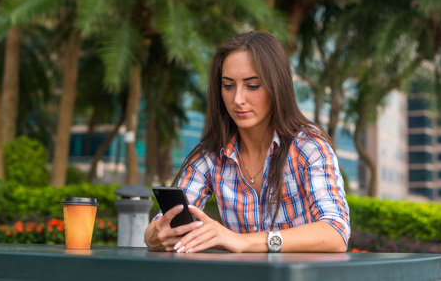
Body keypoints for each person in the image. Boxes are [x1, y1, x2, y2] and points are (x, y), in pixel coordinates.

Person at [144, 31, 350, 253]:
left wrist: (243, 241)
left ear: (276, 87)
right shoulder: (211, 155)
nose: (238, 99)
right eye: (228, 86)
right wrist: (157, 235)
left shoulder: (308, 146)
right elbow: (157, 227)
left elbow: (336, 232)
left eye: (252, 86)